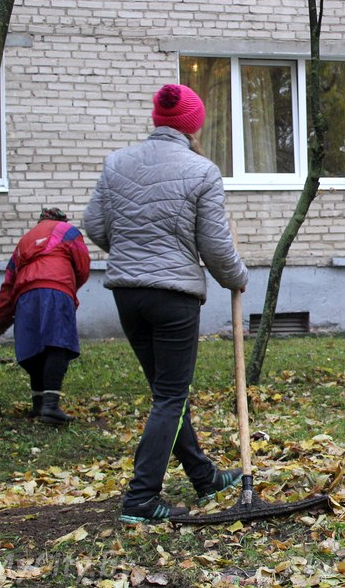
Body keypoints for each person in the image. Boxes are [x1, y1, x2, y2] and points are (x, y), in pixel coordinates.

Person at [83, 84, 249, 524]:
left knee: (166, 394)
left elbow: (94, 224)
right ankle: (141, 498)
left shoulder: (117, 162)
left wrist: (130, 249)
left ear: (158, 120)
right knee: (171, 396)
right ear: (193, 125)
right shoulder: (202, 170)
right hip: (173, 295)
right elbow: (214, 245)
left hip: (127, 293)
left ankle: (203, 475)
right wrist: (237, 277)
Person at [0, 207, 91, 424]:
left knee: (34, 349)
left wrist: (1, 316)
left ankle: (38, 405)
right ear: (61, 219)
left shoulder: (24, 241)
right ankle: (50, 407)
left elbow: (9, 281)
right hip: (56, 290)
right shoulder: (68, 231)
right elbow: (83, 266)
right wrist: (69, 287)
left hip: (24, 297)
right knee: (58, 345)